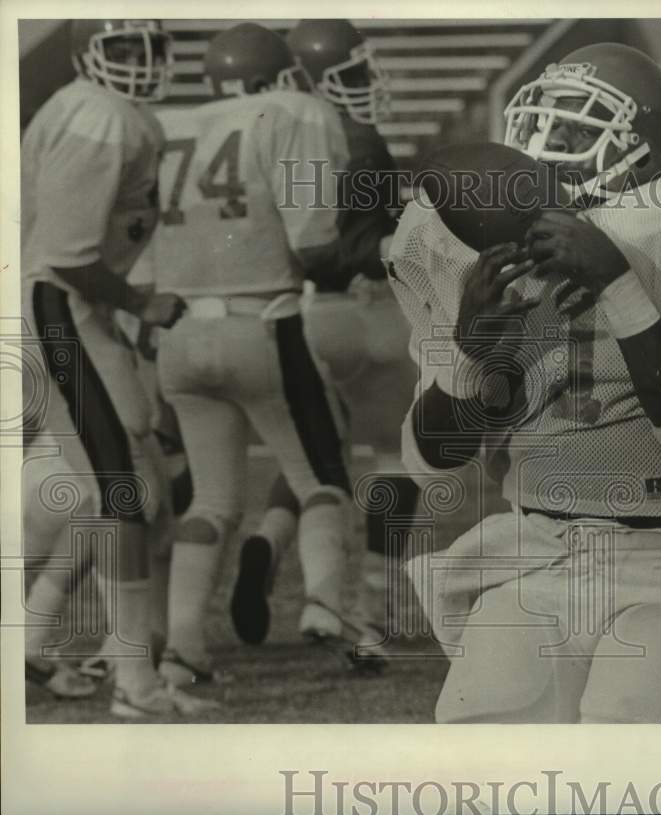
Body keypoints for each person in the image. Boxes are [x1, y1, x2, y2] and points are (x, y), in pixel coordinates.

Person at [387, 43, 661, 722]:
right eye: (538, 126)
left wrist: (616, 282)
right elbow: (430, 464)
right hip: (536, 554)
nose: (544, 150)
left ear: (641, 151)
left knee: (624, 749)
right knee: (485, 745)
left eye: (575, 131)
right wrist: (469, 352)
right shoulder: (467, 259)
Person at [147, 22, 382, 688]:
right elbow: (313, 246)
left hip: (182, 335)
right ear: (276, 76)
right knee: (323, 480)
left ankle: (184, 649)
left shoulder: (175, 125)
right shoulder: (294, 112)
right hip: (263, 325)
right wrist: (382, 254)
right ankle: (328, 610)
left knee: (212, 502)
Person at [20, 19, 211, 717]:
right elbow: (67, 258)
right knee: (120, 496)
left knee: (140, 494)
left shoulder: (109, 112)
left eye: (149, 46)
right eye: (122, 47)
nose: (140, 62)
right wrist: (141, 302)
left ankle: (33, 643)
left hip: (81, 314)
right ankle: (134, 684)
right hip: (62, 308)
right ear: (87, 53)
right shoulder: (99, 117)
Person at [230, 19, 420, 647]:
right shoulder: (353, 136)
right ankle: (376, 602)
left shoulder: (258, 134)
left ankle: (267, 543)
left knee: (314, 457)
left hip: (301, 316)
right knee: (396, 458)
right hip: (367, 309)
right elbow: (360, 242)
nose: (366, 86)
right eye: (353, 75)